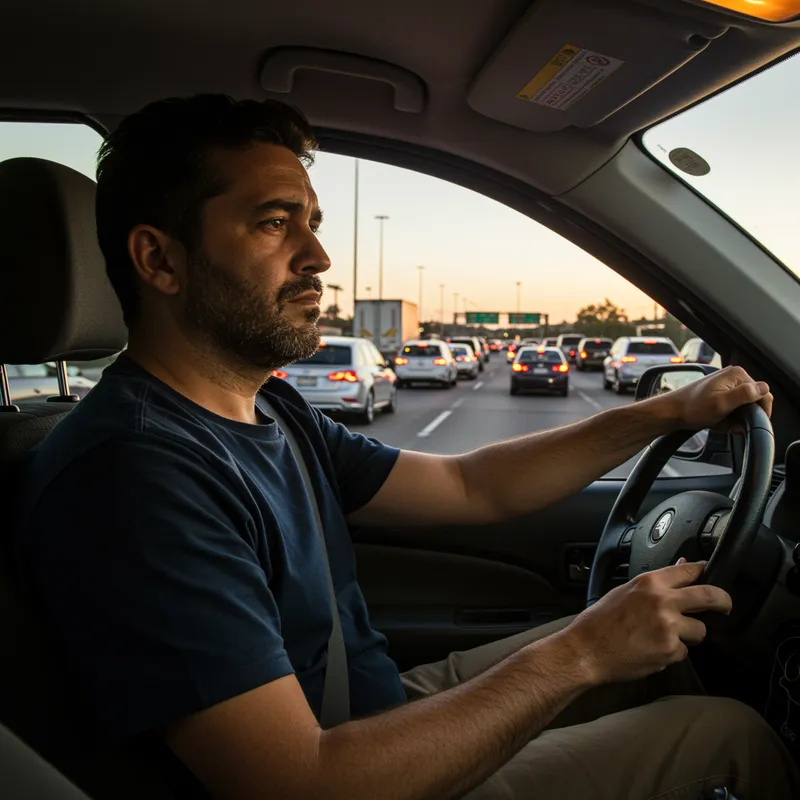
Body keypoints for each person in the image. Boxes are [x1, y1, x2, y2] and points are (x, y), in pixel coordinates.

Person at [16, 95, 799, 800]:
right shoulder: (137, 475)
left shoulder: (268, 409)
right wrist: (582, 655)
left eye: (312, 222)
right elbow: (300, 783)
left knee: (661, 658)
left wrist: (666, 411)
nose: (318, 257)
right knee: (732, 739)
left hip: (369, 713)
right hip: (340, 769)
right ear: (159, 260)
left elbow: (470, 487)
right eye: (273, 222)